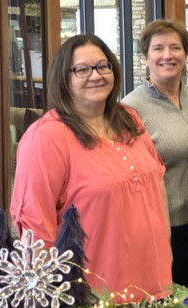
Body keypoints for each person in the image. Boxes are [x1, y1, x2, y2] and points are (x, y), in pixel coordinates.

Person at [10, 33, 172, 303]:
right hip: (93, 297)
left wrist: (166, 251)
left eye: (102, 66)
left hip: (156, 287)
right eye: (82, 69)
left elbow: (157, 183)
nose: (95, 75)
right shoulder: (45, 138)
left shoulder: (128, 118)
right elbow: (36, 230)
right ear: (64, 77)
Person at [122, 19, 188, 299]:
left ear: (185, 55)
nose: (167, 55)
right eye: (158, 48)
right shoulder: (130, 109)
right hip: (165, 230)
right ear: (145, 57)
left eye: (175, 47)